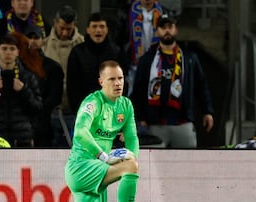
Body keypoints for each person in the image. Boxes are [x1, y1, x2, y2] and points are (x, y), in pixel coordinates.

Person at [0, 60, 154, 202]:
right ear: (101, 82)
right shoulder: (93, 102)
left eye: (120, 78)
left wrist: (132, 155)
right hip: (81, 167)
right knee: (130, 166)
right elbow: (80, 133)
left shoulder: (125, 106)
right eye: (112, 79)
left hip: (97, 169)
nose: (118, 83)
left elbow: (132, 137)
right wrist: (105, 156)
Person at [131, 14, 214, 148]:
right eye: (163, 27)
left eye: (170, 26)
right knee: (153, 167)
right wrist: (140, 118)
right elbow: (138, 91)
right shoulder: (147, 60)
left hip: (183, 123)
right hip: (155, 124)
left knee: (187, 165)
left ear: (176, 30)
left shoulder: (189, 58)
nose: (167, 30)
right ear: (157, 31)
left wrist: (207, 111)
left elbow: (201, 85)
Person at [67, 12, 128, 114]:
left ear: (107, 30)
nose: (98, 30)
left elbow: (123, 84)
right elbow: (73, 87)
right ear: (88, 30)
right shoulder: (77, 52)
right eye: (94, 26)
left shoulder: (116, 53)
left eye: (101, 26)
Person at [13, 29, 64, 147]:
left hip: (43, 125)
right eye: (29, 37)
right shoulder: (15, 66)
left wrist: (37, 109)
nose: (32, 41)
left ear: (43, 41)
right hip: (18, 124)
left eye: (36, 38)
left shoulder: (53, 67)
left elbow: (54, 98)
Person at [42, 5, 84, 147]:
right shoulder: (44, 46)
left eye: (69, 28)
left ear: (75, 25)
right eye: (62, 28)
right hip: (53, 111)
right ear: (55, 22)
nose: (65, 33)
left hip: (78, 111)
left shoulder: (83, 45)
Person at [0, 34, 43, 147]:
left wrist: (23, 90)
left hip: (22, 137)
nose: (8, 52)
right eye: (4, 48)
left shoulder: (28, 76)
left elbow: (37, 107)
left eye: (12, 49)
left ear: (18, 52)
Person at [126, 0, 165, 96]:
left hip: (155, 63)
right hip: (134, 63)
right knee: (132, 95)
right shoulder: (128, 12)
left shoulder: (162, 13)